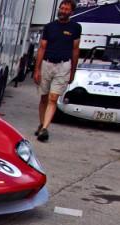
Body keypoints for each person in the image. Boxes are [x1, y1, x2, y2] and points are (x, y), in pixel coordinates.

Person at [33, 0, 80, 142]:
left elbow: (75, 50)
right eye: (62, 8)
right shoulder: (49, 27)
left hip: (63, 66)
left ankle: (45, 129)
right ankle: (42, 124)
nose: (63, 11)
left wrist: (72, 71)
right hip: (47, 64)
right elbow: (42, 47)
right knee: (44, 97)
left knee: (53, 98)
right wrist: (37, 69)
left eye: (67, 9)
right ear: (59, 9)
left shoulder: (75, 27)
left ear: (71, 12)